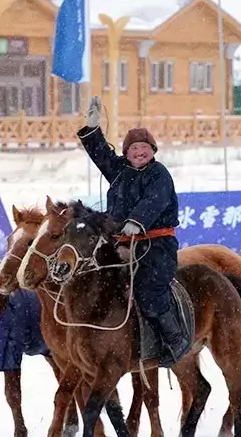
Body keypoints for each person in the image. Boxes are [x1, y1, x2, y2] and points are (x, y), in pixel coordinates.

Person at [76, 96, 189, 367]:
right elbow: (100, 152)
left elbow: (154, 200)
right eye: (134, 148)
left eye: (145, 148)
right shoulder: (118, 170)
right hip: (120, 243)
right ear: (126, 153)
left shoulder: (159, 174)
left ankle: (175, 339)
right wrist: (92, 128)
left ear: (153, 151)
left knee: (150, 291)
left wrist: (136, 221)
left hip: (156, 245)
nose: (140, 152)